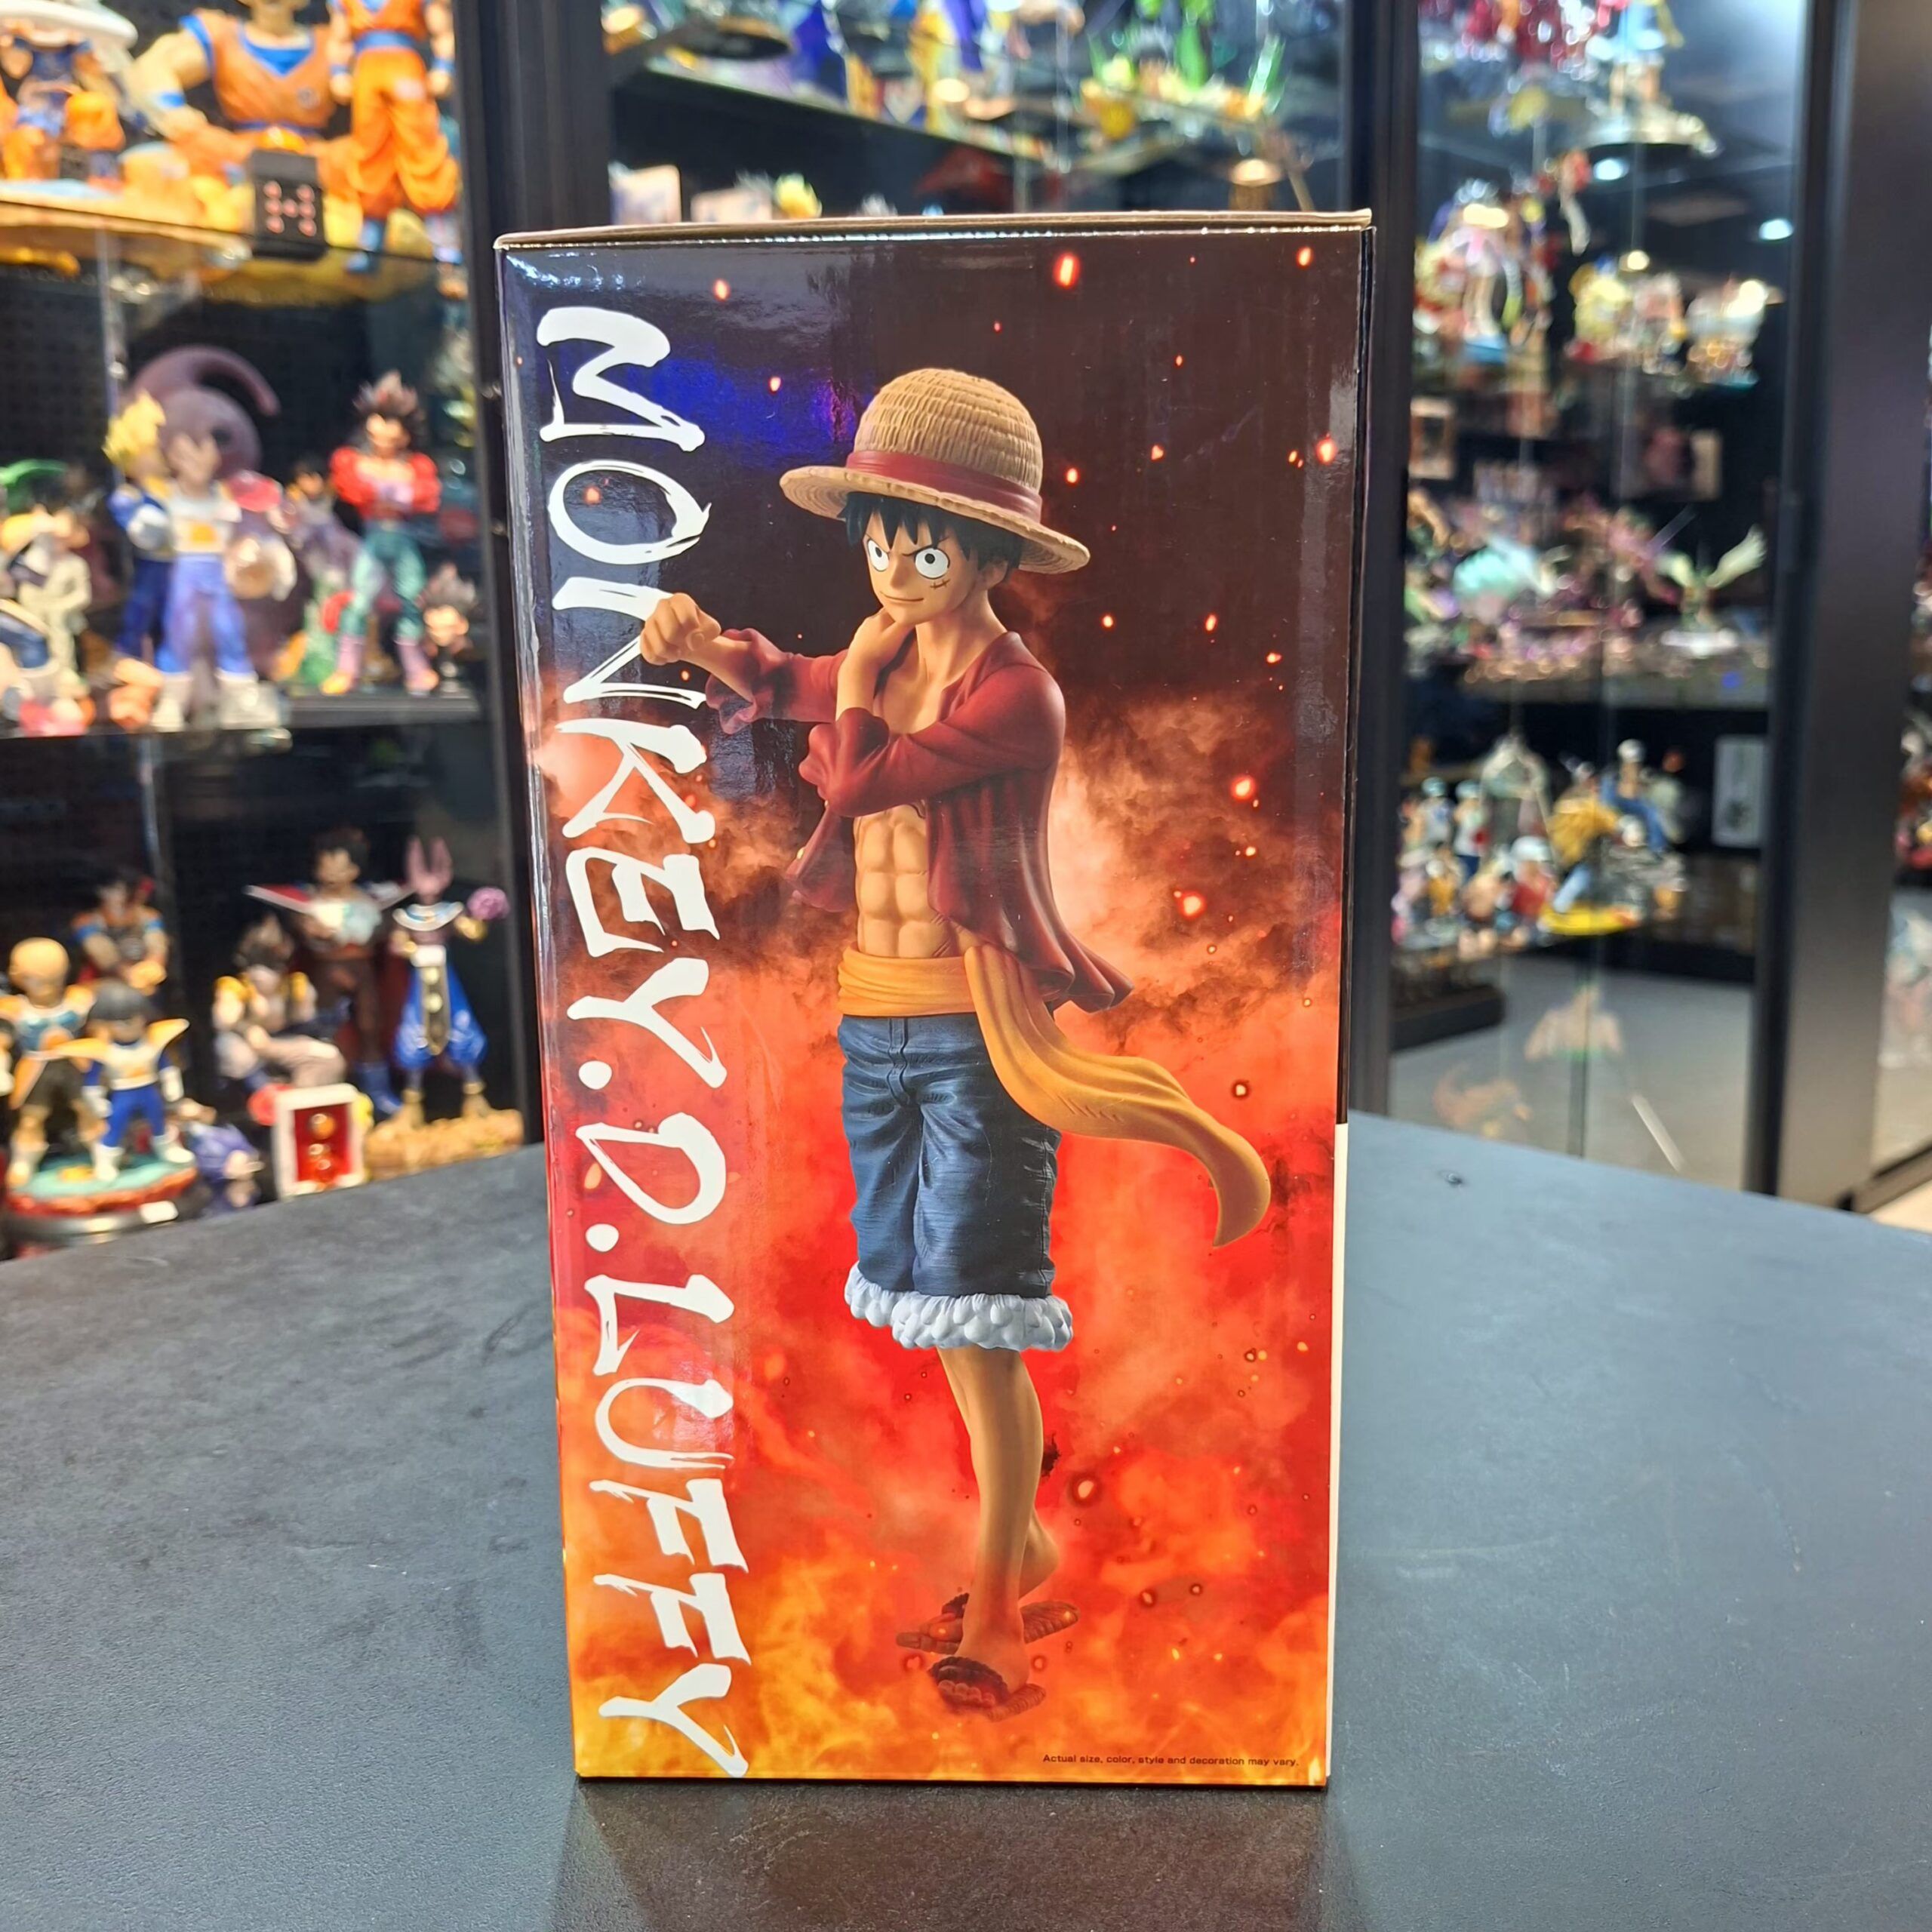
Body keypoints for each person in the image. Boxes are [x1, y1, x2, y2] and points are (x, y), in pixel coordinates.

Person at [637, 367, 1269, 1721]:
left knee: (982, 1319)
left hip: (979, 1034)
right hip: (877, 1021)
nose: (893, 571)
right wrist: (703, 646)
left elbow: (863, 770)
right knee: (930, 1302)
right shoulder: (884, 656)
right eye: (880, 542)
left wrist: (860, 676)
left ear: (990, 558)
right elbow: (783, 680)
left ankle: (997, 1603)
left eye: (924, 550)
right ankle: (1020, 1545)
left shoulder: (1016, 695)